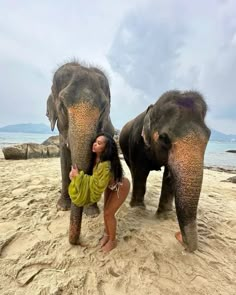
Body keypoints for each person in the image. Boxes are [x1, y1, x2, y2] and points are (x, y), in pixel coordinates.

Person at [68, 132, 130, 253]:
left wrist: (78, 177)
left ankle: (112, 240)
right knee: (106, 212)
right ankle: (107, 235)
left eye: (99, 143)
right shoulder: (95, 158)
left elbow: (97, 184)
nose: (95, 144)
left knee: (108, 213)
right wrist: (76, 177)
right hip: (109, 186)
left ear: (105, 148)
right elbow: (94, 178)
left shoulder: (105, 164)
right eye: (95, 142)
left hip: (120, 186)